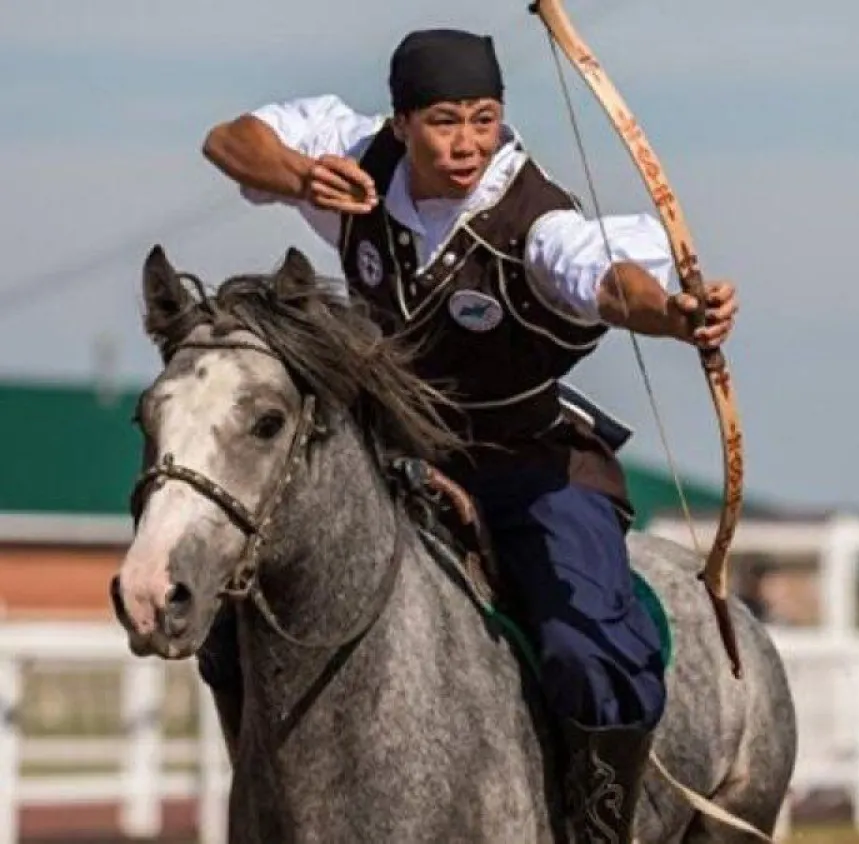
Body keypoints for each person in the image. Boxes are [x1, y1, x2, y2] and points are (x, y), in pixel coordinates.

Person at [197, 27, 739, 841]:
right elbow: (228, 141)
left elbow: (609, 283)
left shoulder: (535, 222)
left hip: (527, 466)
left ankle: (596, 826)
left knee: (589, 654)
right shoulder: (355, 156)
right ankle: (264, 802)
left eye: (485, 119)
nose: (467, 144)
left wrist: (675, 315)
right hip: (388, 457)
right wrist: (299, 176)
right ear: (402, 121)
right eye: (446, 121)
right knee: (228, 629)